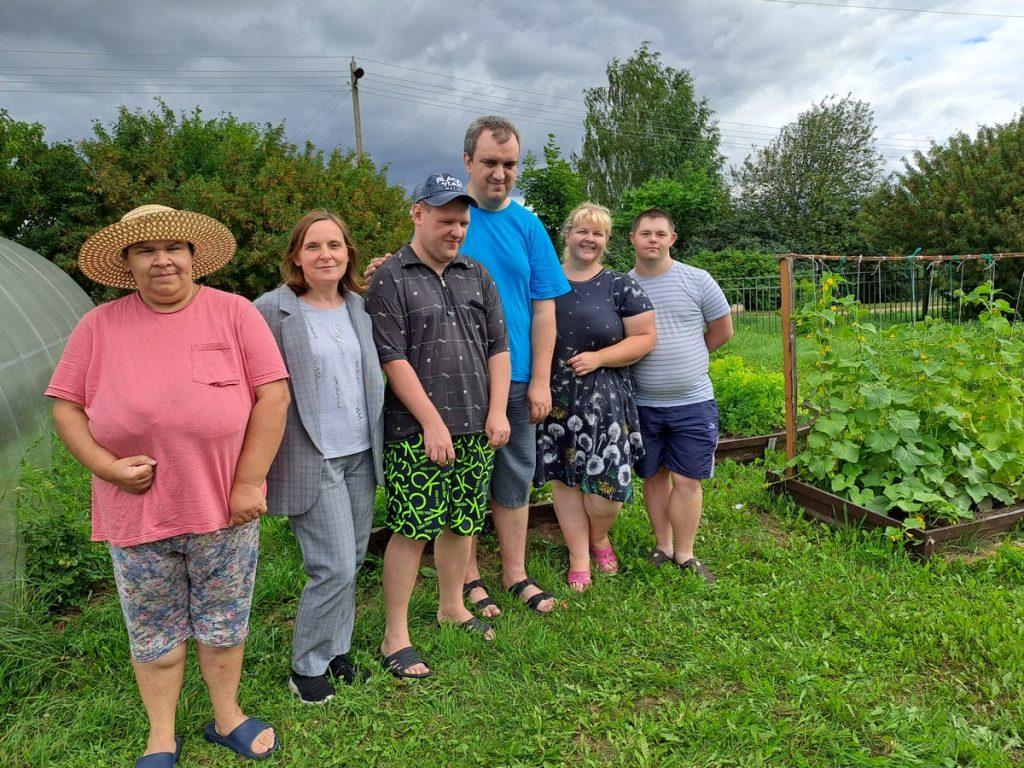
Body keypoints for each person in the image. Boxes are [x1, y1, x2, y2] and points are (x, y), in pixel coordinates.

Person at [45, 205, 288, 766]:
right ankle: (161, 734)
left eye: (173, 247)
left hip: (224, 506)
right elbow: (66, 408)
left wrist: (249, 481)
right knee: (154, 627)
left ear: (192, 255)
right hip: (137, 513)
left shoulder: (234, 313)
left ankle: (227, 716)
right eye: (145, 251)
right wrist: (106, 468)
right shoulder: (99, 325)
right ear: (127, 263)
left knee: (224, 620)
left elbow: (272, 397)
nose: (162, 260)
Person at [365, 117, 569, 616]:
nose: (501, 173)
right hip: (444, 384)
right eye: (490, 162)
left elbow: (546, 306)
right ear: (468, 162)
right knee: (463, 488)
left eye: (510, 164)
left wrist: (540, 378)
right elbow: (412, 277)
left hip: (513, 378)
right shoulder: (449, 216)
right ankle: (468, 581)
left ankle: (515, 572)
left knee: (513, 477)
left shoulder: (527, 225)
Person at [365, 173, 511, 678]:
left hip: (476, 425)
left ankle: (453, 606)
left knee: (463, 522)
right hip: (416, 432)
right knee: (411, 529)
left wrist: (496, 412)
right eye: (446, 219)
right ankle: (395, 635)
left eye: (463, 222)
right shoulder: (390, 277)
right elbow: (392, 357)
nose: (456, 230)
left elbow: (498, 347)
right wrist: (431, 422)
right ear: (418, 213)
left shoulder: (477, 273)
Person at [253, 210, 384, 704]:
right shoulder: (271, 310)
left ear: (348, 252)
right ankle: (306, 667)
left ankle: (337, 651)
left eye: (334, 245)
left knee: (350, 558)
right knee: (331, 566)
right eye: (313, 247)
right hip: (314, 456)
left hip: (360, 452)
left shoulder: (360, 308)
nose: (325, 254)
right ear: (296, 257)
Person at [536, 203, 656, 591]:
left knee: (607, 490)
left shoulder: (619, 284)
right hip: (555, 397)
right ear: (568, 234)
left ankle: (599, 535)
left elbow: (645, 338)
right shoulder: (544, 280)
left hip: (605, 400)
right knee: (565, 480)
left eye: (598, 233)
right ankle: (578, 554)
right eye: (582, 231)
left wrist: (600, 357)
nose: (589, 239)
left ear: (606, 241)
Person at [627, 209, 733, 583]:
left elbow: (722, 329)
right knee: (654, 477)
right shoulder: (623, 286)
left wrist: (693, 357)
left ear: (673, 239)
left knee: (688, 479)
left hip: (693, 401)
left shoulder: (697, 280)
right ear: (633, 239)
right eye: (645, 233)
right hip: (642, 402)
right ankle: (663, 544)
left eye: (660, 234)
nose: (652, 240)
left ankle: (685, 552)